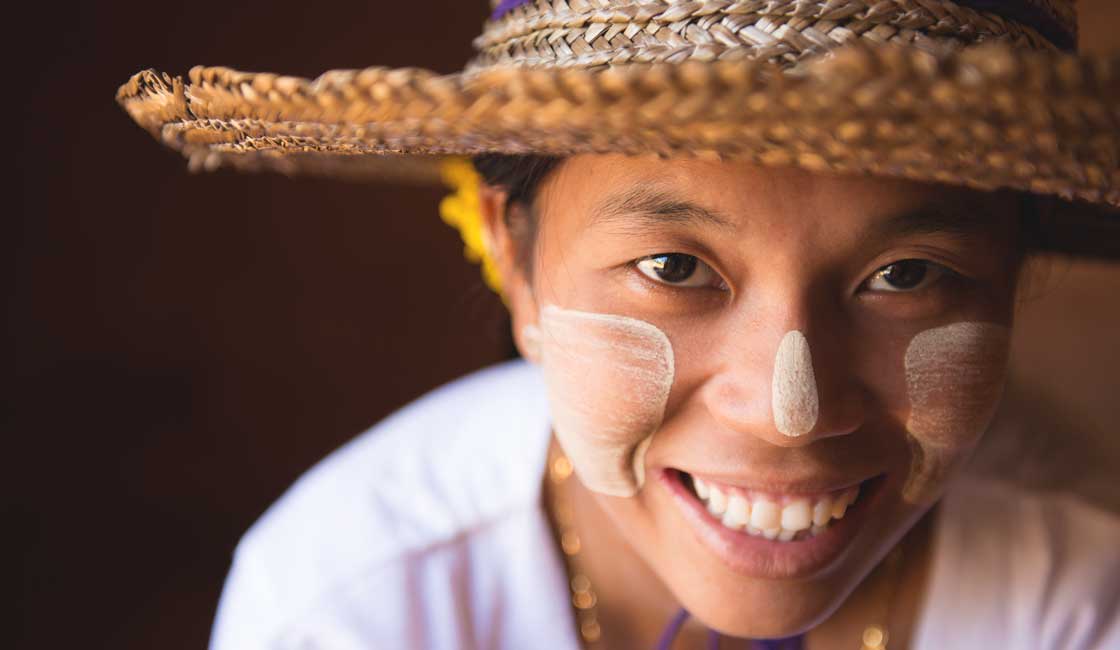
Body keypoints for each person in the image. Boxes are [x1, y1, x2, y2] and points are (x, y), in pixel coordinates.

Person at [117, 1, 1120, 648]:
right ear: (516, 264)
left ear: (1009, 279)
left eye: (904, 274)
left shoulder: (1081, 582)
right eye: (674, 268)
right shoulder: (355, 602)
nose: (789, 412)